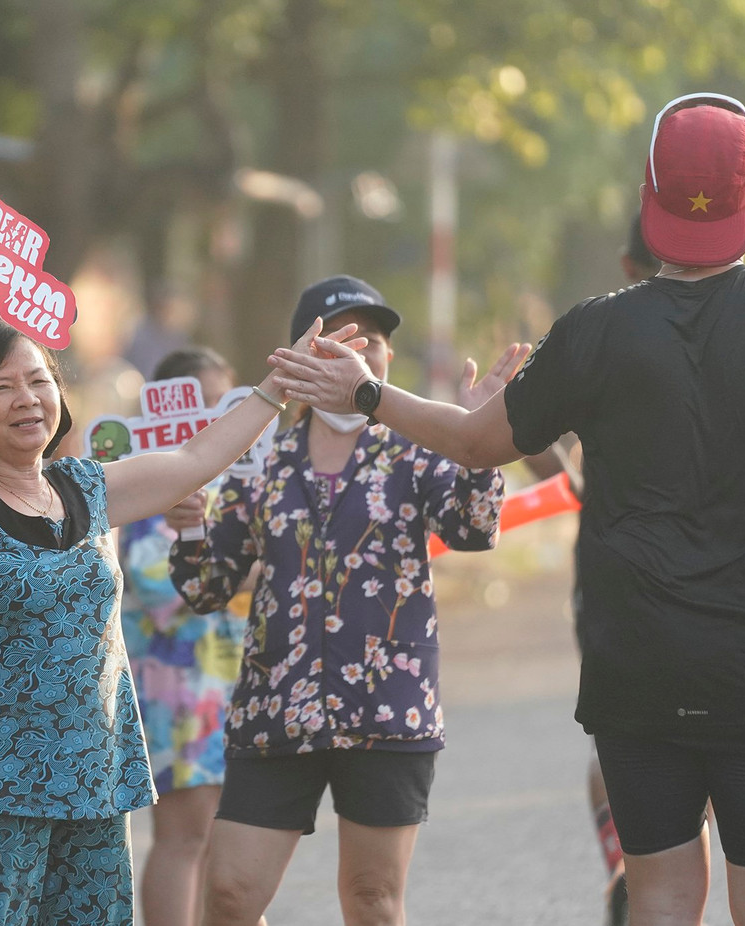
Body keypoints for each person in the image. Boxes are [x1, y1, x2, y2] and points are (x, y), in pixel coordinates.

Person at [269, 95, 745, 926]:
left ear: (648, 194)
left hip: (637, 666)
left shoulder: (592, 330)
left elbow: (472, 442)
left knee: (662, 900)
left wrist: (364, 391)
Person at [0, 316, 362, 925]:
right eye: (0, 387)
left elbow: (198, 458)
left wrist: (278, 386)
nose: (27, 398)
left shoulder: (88, 489)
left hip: (94, 775)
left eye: (39, 380)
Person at [168, 275, 515, 926]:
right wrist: (189, 525)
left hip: (387, 710)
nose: (362, 354)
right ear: (299, 360)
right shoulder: (259, 457)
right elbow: (206, 586)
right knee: (229, 896)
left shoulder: (419, 445)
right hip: (275, 712)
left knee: (373, 902)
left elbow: (472, 530)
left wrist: (481, 444)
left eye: (375, 342)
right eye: (339, 340)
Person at [523, 211, 660, 926]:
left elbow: (554, 465)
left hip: (608, 580)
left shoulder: (594, 336)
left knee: (619, 734)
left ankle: (626, 862)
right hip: (723, 582)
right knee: (703, 738)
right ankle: (665, 869)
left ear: (628, 263)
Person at [119, 346, 262, 926]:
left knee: (229, 838)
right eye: (201, 402)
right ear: (162, 406)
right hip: (176, 687)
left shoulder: (236, 482)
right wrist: (258, 568)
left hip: (236, 681)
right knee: (184, 835)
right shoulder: (147, 482)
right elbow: (155, 580)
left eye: (226, 404)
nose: (214, 419)